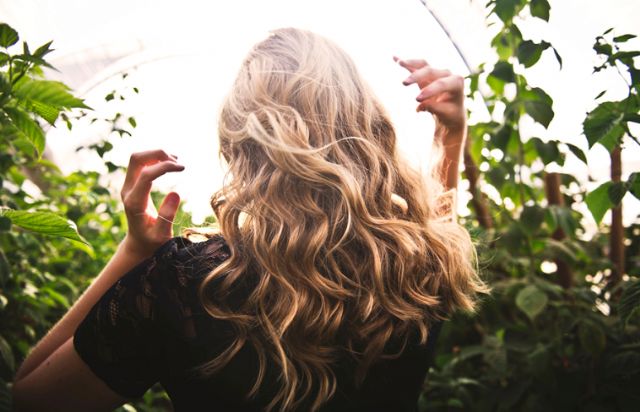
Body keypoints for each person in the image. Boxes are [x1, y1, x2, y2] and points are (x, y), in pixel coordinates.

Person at [12, 28, 487, 411]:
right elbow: (435, 225)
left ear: (241, 142)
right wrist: (450, 134)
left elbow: (33, 397)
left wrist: (135, 252)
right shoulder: (422, 266)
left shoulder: (185, 284)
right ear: (365, 123)